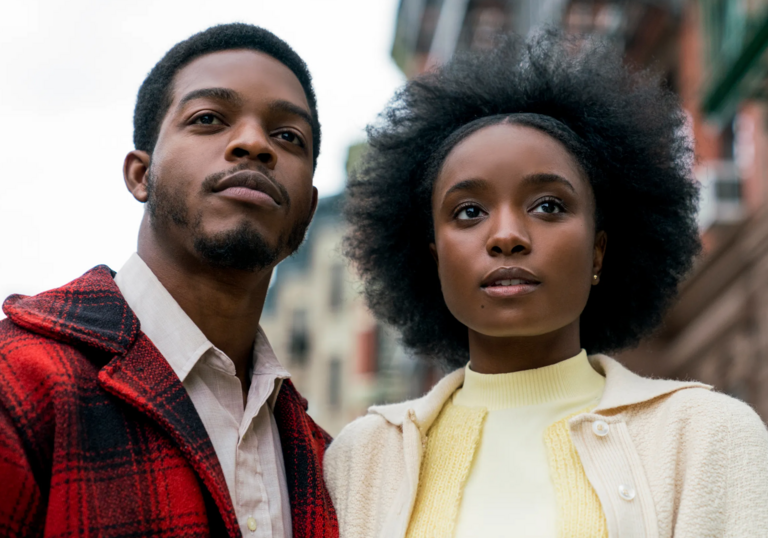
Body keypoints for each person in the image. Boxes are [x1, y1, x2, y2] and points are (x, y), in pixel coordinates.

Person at [325, 31, 768, 538]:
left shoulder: (708, 437)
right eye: (469, 212)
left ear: (599, 249)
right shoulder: (360, 458)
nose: (507, 236)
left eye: (548, 206)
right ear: (433, 258)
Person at [0, 23, 337, 538]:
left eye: (288, 136)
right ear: (141, 174)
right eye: (208, 119)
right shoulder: (20, 383)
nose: (254, 144)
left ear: (308, 211)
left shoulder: (324, 456)